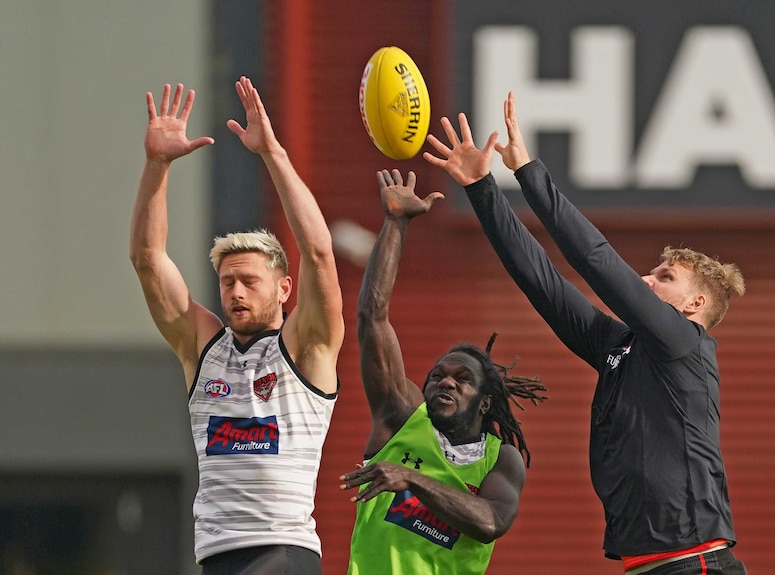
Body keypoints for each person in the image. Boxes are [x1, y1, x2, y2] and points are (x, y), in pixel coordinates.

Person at [424, 93, 748, 575]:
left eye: (664, 277)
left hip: (694, 563)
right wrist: (481, 187)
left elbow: (595, 260)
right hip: (649, 565)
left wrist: (529, 172)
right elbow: (545, 283)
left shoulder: (684, 345)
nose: (644, 279)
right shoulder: (622, 347)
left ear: (694, 305)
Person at [130, 77, 344, 574]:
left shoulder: (306, 347)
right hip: (216, 556)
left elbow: (318, 254)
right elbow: (147, 259)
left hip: (282, 552)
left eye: (249, 280)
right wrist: (157, 166)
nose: (235, 292)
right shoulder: (203, 346)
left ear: (284, 290)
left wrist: (273, 154)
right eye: (227, 282)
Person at [339, 169, 546, 575]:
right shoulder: (401, 419)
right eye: (437, 376)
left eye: (462, 379)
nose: (446, 381)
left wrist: (411, 479)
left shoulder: (500, 460)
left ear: (485, 403)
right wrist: (396, 223)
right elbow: (372, 319)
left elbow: (490, 523)